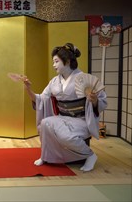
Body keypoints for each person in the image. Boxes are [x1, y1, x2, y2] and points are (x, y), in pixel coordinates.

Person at [22, 43, 107, 172]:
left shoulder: (83, 78)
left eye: (56, 61)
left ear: (67, 61)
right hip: (63, 118)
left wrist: (94, 100)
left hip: (81, 120)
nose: (54, 65)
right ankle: (46, 156)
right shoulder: (54, 82)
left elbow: (101, 101)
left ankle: (90, 155)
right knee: (45, 123)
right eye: (53, 62)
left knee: (65, 135)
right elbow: (40, 100)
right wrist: (28, 89)